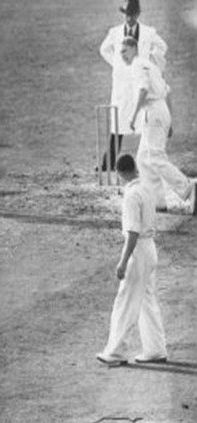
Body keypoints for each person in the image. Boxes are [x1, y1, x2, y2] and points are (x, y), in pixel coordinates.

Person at [96, 154, 168, 366]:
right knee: (147, 301)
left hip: (138, 252)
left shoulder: (131, 194)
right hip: (150, 249)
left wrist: (123, 261)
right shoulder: (146, 188)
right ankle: (155, 350)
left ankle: (115, 353)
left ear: (120, 173)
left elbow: (133, 232)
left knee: (125, 302)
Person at [121, 37, 197, 214]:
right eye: (121, 52)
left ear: (134, 48)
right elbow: (167, 92)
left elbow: (143, 89)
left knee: (155, 157)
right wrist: (169, 120)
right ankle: (156, 202)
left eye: (125, 51)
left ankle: (189, 188)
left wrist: (133, 116)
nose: (122, 55)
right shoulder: (151, 65)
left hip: (153, 112)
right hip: (160, 111)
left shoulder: (137, 65)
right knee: (143, 159)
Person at [99, 0, 167, 171]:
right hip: (122, 85)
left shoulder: (148, 32)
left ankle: (147, 160)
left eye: (132, 15)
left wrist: (150, 60)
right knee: (118, 123)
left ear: (138, 14)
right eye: (127, 15)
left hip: (140, 82)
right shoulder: (115, 32)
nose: (129, 19)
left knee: (144, 122)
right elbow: (104, 49)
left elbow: (162, 47)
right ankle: (108, 163)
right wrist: (117, 64)